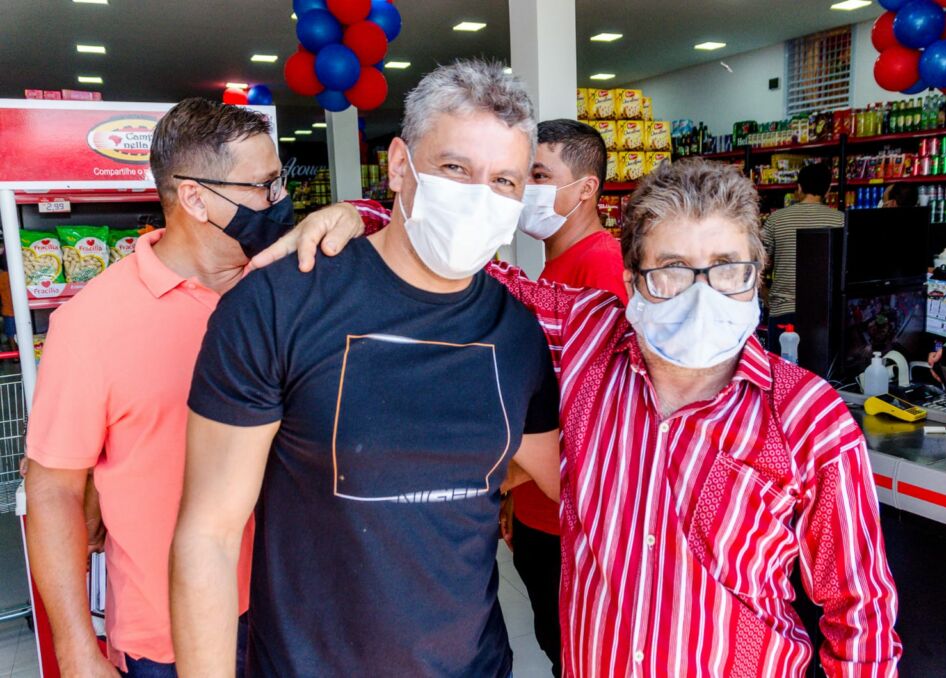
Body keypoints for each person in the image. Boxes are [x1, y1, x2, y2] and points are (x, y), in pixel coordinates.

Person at [171, 60, 561, 677]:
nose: (478, 198)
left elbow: (577, 484)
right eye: (455, 168)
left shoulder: (518, 332)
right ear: (400, 164)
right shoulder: (279, 304)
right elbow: (208, 537)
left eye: (504, 181)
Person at [486, 159, 902, 676]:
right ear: (631, 279)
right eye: (672, 269)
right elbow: (468, 272)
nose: (703, 295)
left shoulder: (805, 415)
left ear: (758, 271)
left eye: (729, 267)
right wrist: (359, 217)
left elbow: (860, 607)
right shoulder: (587, 338)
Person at [23, 98, 368, 677]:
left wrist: (356, 214)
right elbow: (53, 489)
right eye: (262, 186)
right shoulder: (91, 322)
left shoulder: (294, 285)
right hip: (171, 632)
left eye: (277, 181)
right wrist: (78, 648)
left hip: (305, 604)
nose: (278, 201)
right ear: (195, 197)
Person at [503, 117, 626, 676]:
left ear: (586, 189)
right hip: (536, 508)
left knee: (575, 656)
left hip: (567, 517)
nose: (525, 187)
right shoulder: (551, 265)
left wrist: (509, 480)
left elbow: (599, 411)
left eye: (539, 174)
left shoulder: (599, 264)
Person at [763, 162, 844, 353]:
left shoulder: (777, 219)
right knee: (822, 378)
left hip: (784, 311)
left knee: (782, 375)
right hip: (826, 315)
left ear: (799, 187)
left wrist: (764, 292)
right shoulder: (840, 219)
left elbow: (757, 262)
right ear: (828, 190)